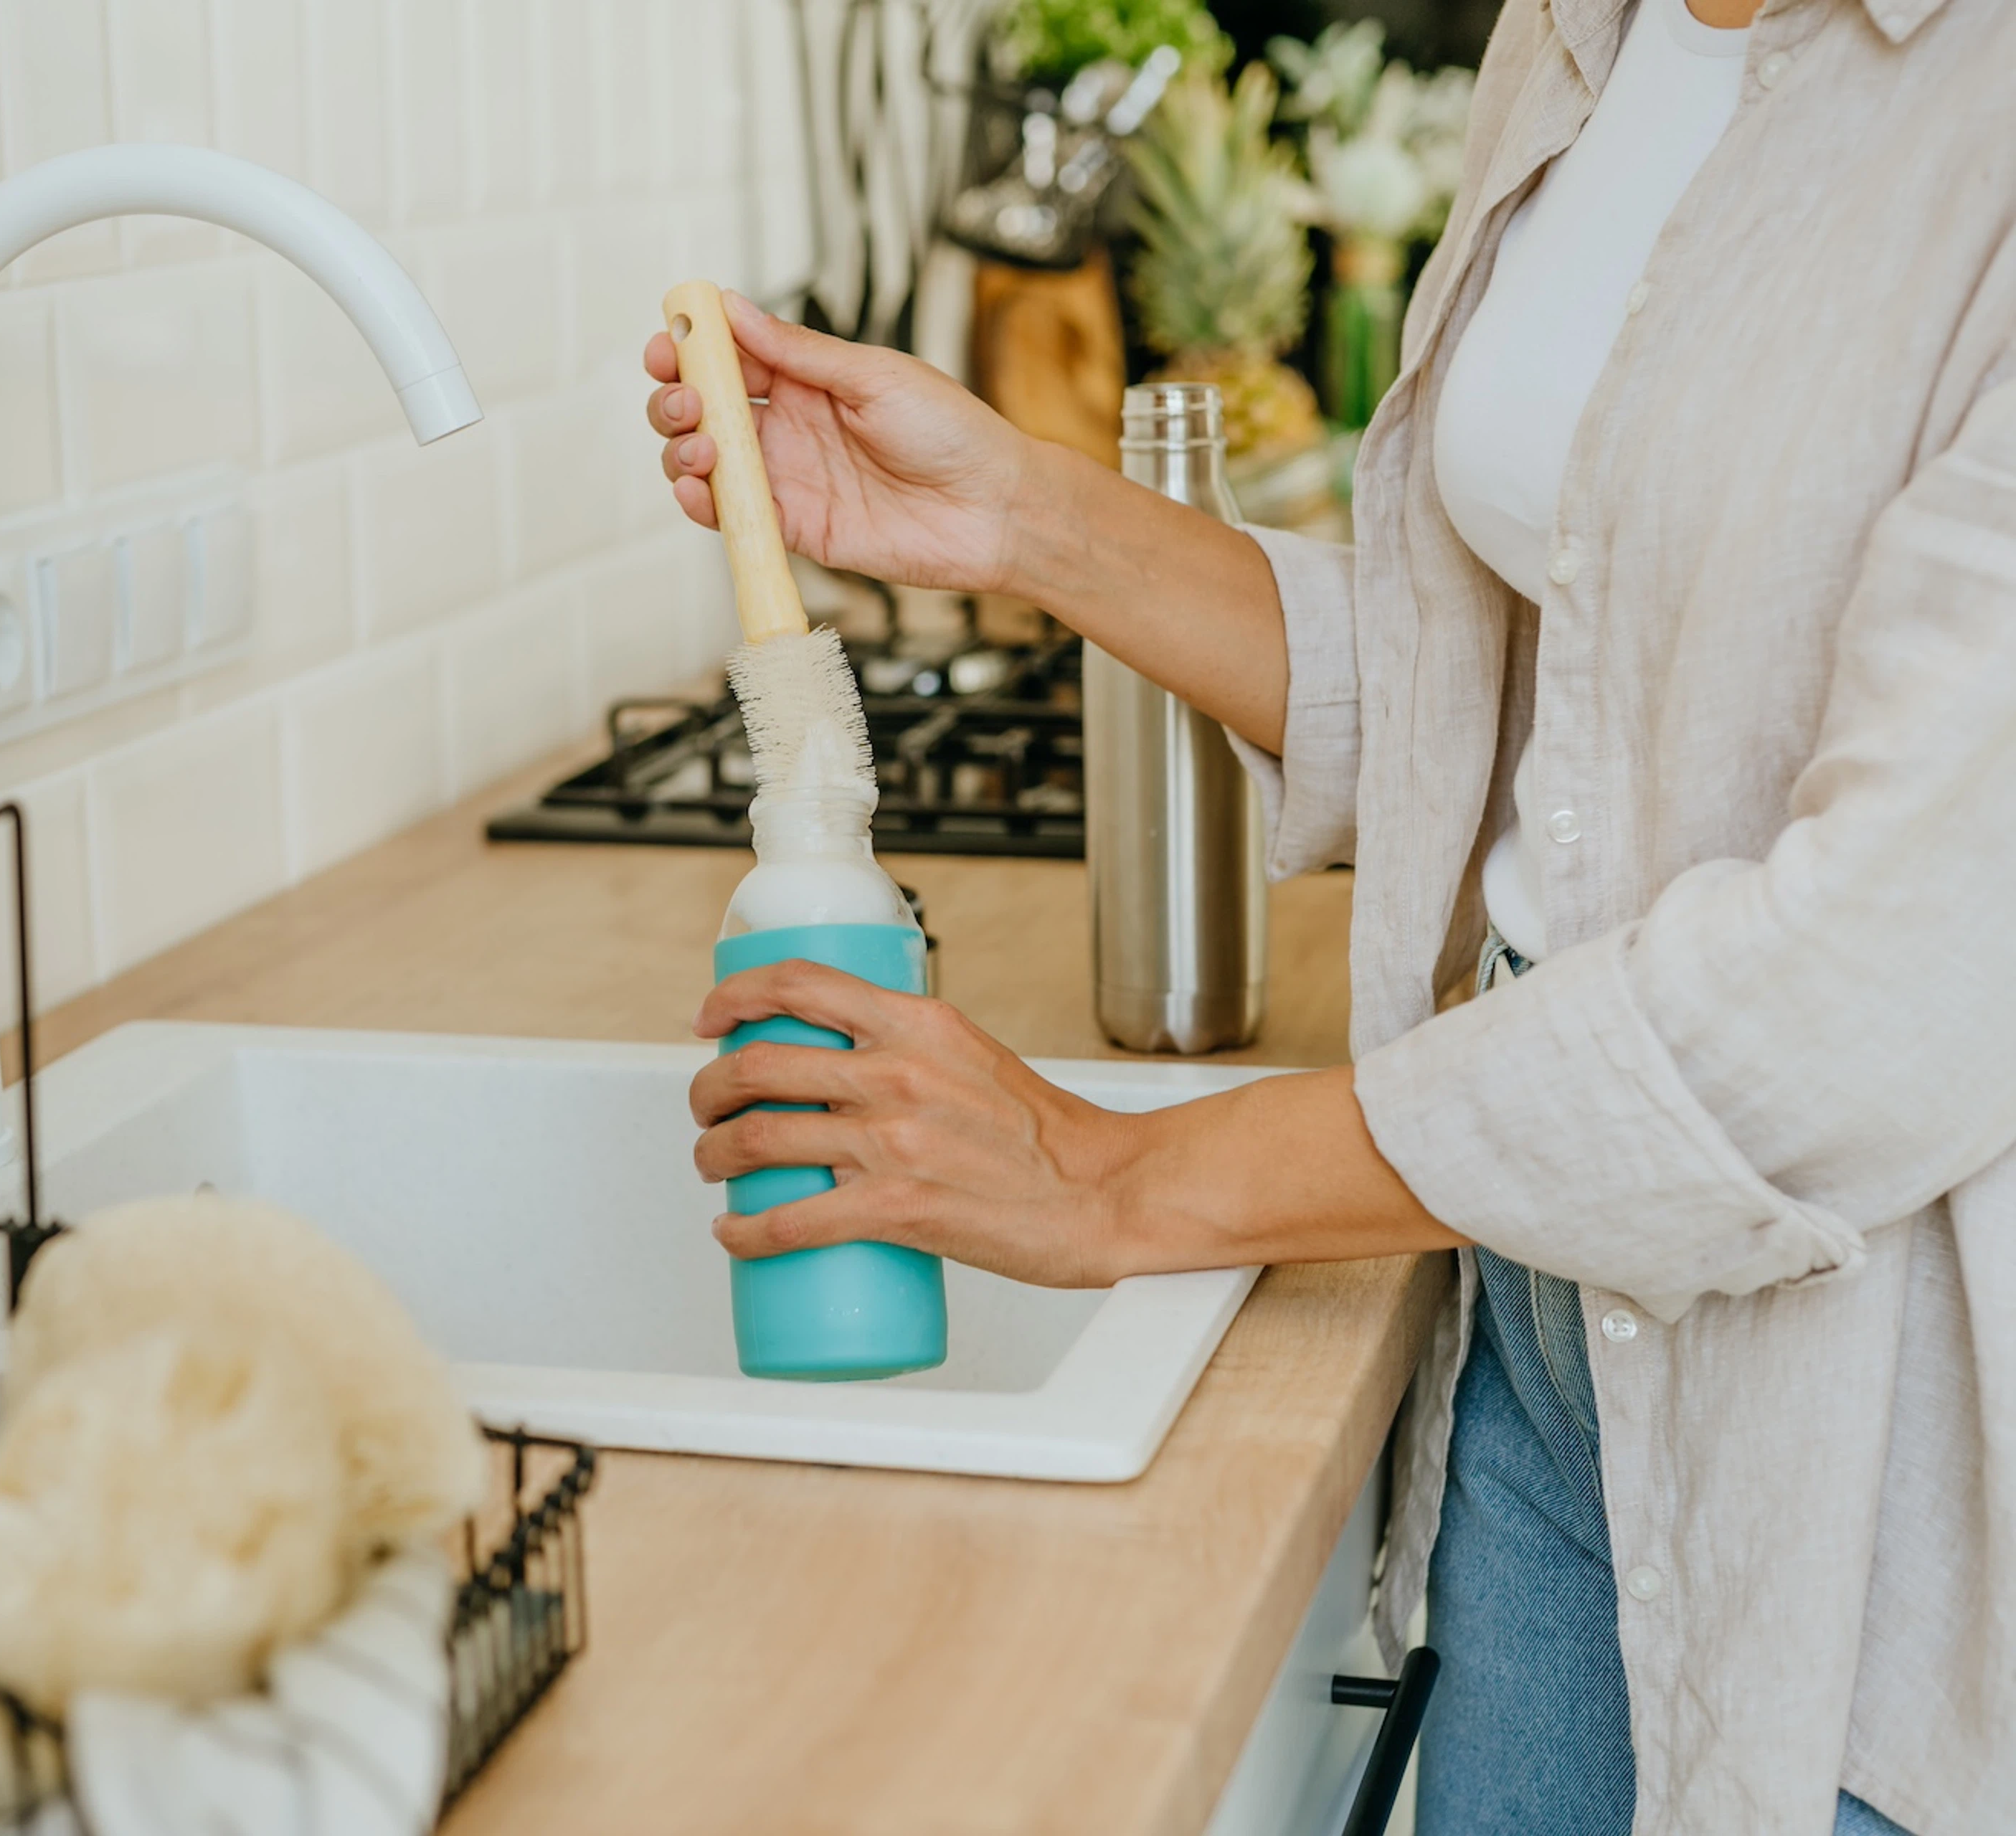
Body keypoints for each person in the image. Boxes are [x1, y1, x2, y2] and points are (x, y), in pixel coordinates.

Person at [640, 1, 2015, 1831]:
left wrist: (1109, 1176)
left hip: (1868, 1396)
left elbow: (1880, 987)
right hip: (1530, 1296)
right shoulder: (1579, 37)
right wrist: (1020, 518)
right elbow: (1539, 698)